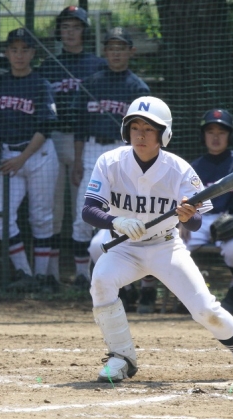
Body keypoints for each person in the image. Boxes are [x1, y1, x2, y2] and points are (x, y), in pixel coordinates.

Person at [82, 95, 233, 383]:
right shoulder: (109, 161)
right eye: (135, 128)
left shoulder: (179, 169)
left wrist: (186, 215)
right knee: (101, 281)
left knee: (205, 310)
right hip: (124, 247)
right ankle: (121, 357)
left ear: (163, 134)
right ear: (126, 131)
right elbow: (89, 210)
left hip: (165, 247)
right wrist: (116, 221)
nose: (140, 135)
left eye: (148, 129)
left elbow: (196, 221)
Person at [0, 28, 59, 293]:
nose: (19, 55)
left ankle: (42, 276)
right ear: (6, 52)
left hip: (39, 155)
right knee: (0, 214)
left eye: (25, 49)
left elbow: (46, 126)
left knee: (41, 218)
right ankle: (25, 272)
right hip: (9, 156)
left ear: (33, 53)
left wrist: (22, 159)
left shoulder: (41, 84)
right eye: (14, 49)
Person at [70, 26, 150, 290]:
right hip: (92, 150)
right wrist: (78, 160)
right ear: (105, 51)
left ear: (130, 51)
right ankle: (82, 276)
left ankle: (127, 282)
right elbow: (79, 127)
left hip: (124, 152)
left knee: (126, 213)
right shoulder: (91, 83)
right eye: (111, 48)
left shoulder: (138, 88)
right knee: (83, 214)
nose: (116, 53)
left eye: (121, 48)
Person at [38, 6, 106, 285]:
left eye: (76, 27)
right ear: (59, 31)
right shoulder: (48, 66)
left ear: (84, 32)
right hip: (53, 139)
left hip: (85, 143)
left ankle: (84, 273)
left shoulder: (97, 65)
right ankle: (50, 274)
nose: (70, 32)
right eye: (65, 27)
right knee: (53, 209)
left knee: (84, 209)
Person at [182, 108, 233, 314]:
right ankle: (189, 294)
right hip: (199, 219)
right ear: (203, 136)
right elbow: (187, 200)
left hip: (228, 220)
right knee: (175, 248)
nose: (215, 137)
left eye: (221, 132)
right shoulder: (195, 166)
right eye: (210, 132)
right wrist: (184, 222)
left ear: (230, 136)